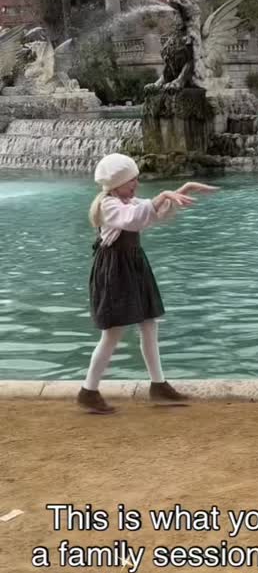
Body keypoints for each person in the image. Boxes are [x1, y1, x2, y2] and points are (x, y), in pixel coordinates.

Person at [78, 153, 218, 414]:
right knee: (112, 334)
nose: (137, 184)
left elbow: (151, 215)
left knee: (149, 323)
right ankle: (89, 391)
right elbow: (133, 218)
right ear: (116, 183)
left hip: (132, 266)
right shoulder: (109, 205)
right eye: (132, 180)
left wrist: (180, 191)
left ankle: (158, 385)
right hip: (115, 271)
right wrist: (163, 194)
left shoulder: (128, 201)